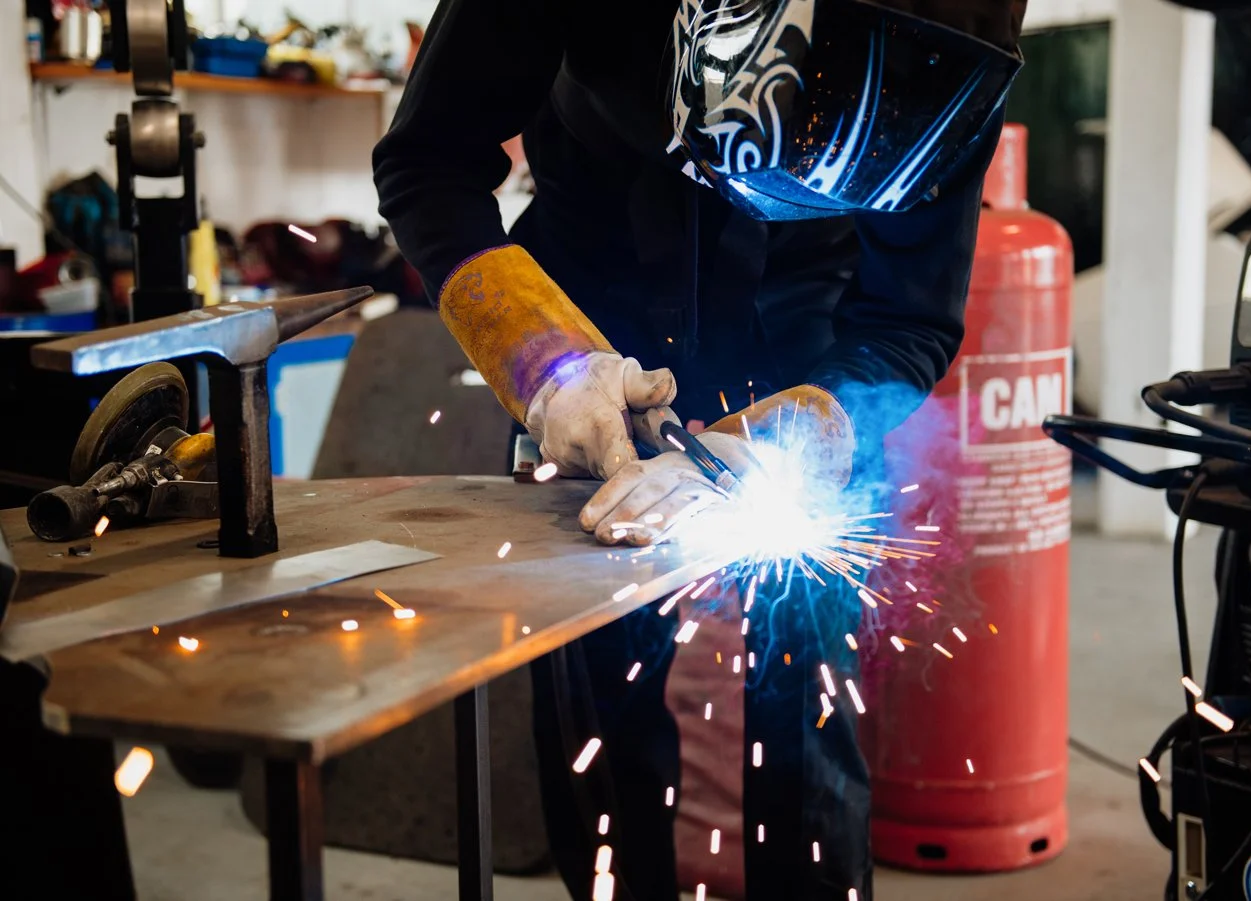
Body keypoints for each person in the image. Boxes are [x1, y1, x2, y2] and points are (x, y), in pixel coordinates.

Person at [374, 2, 1025, 898]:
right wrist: (546, 364)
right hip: (590, 337)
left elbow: (910, 318)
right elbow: (428, 159)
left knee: (809, 708)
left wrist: (795, 435)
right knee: (598, 715)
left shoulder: (954, 51)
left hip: (811, 348)